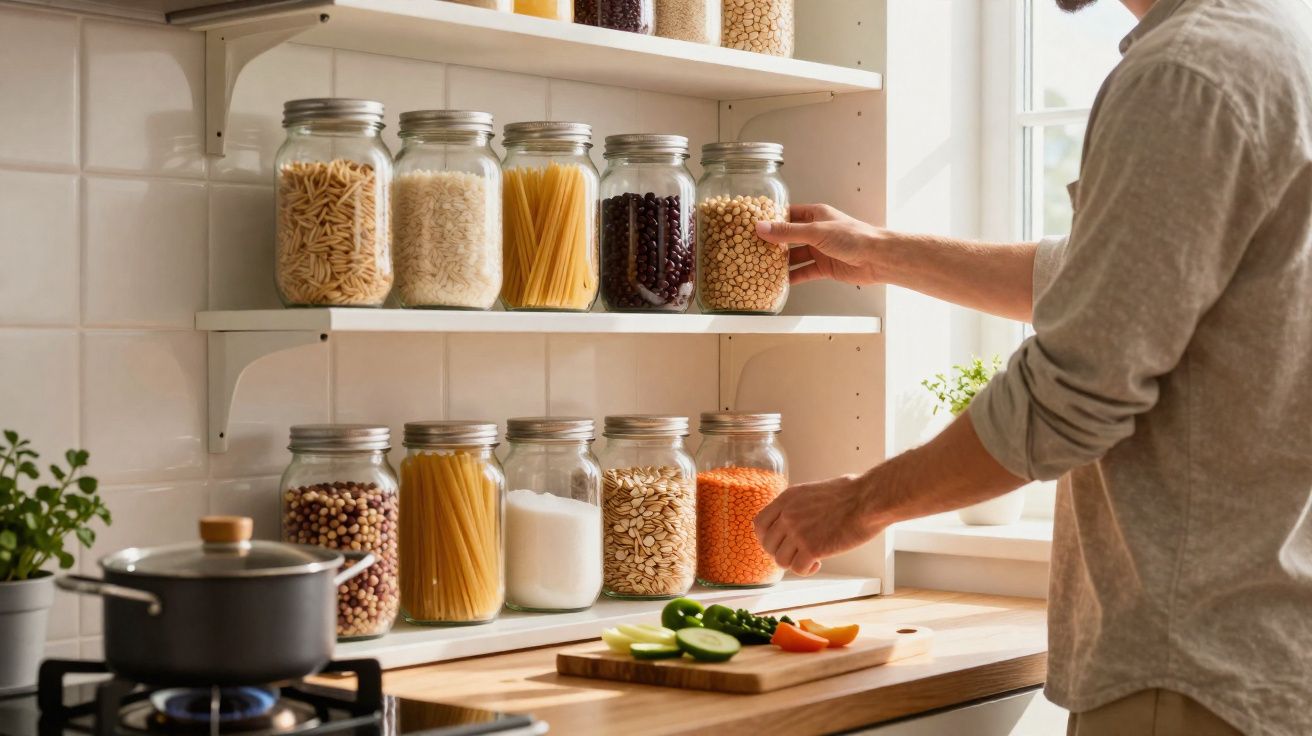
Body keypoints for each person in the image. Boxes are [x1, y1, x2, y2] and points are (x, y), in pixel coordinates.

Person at [750, 0, 1312, 733]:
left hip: (1184, 674)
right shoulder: (1275, 47)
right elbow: (1109, 282)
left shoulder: (1184, 74)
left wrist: (856, 505)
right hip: (1256, 653)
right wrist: (880, 251)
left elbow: (1072, 392)